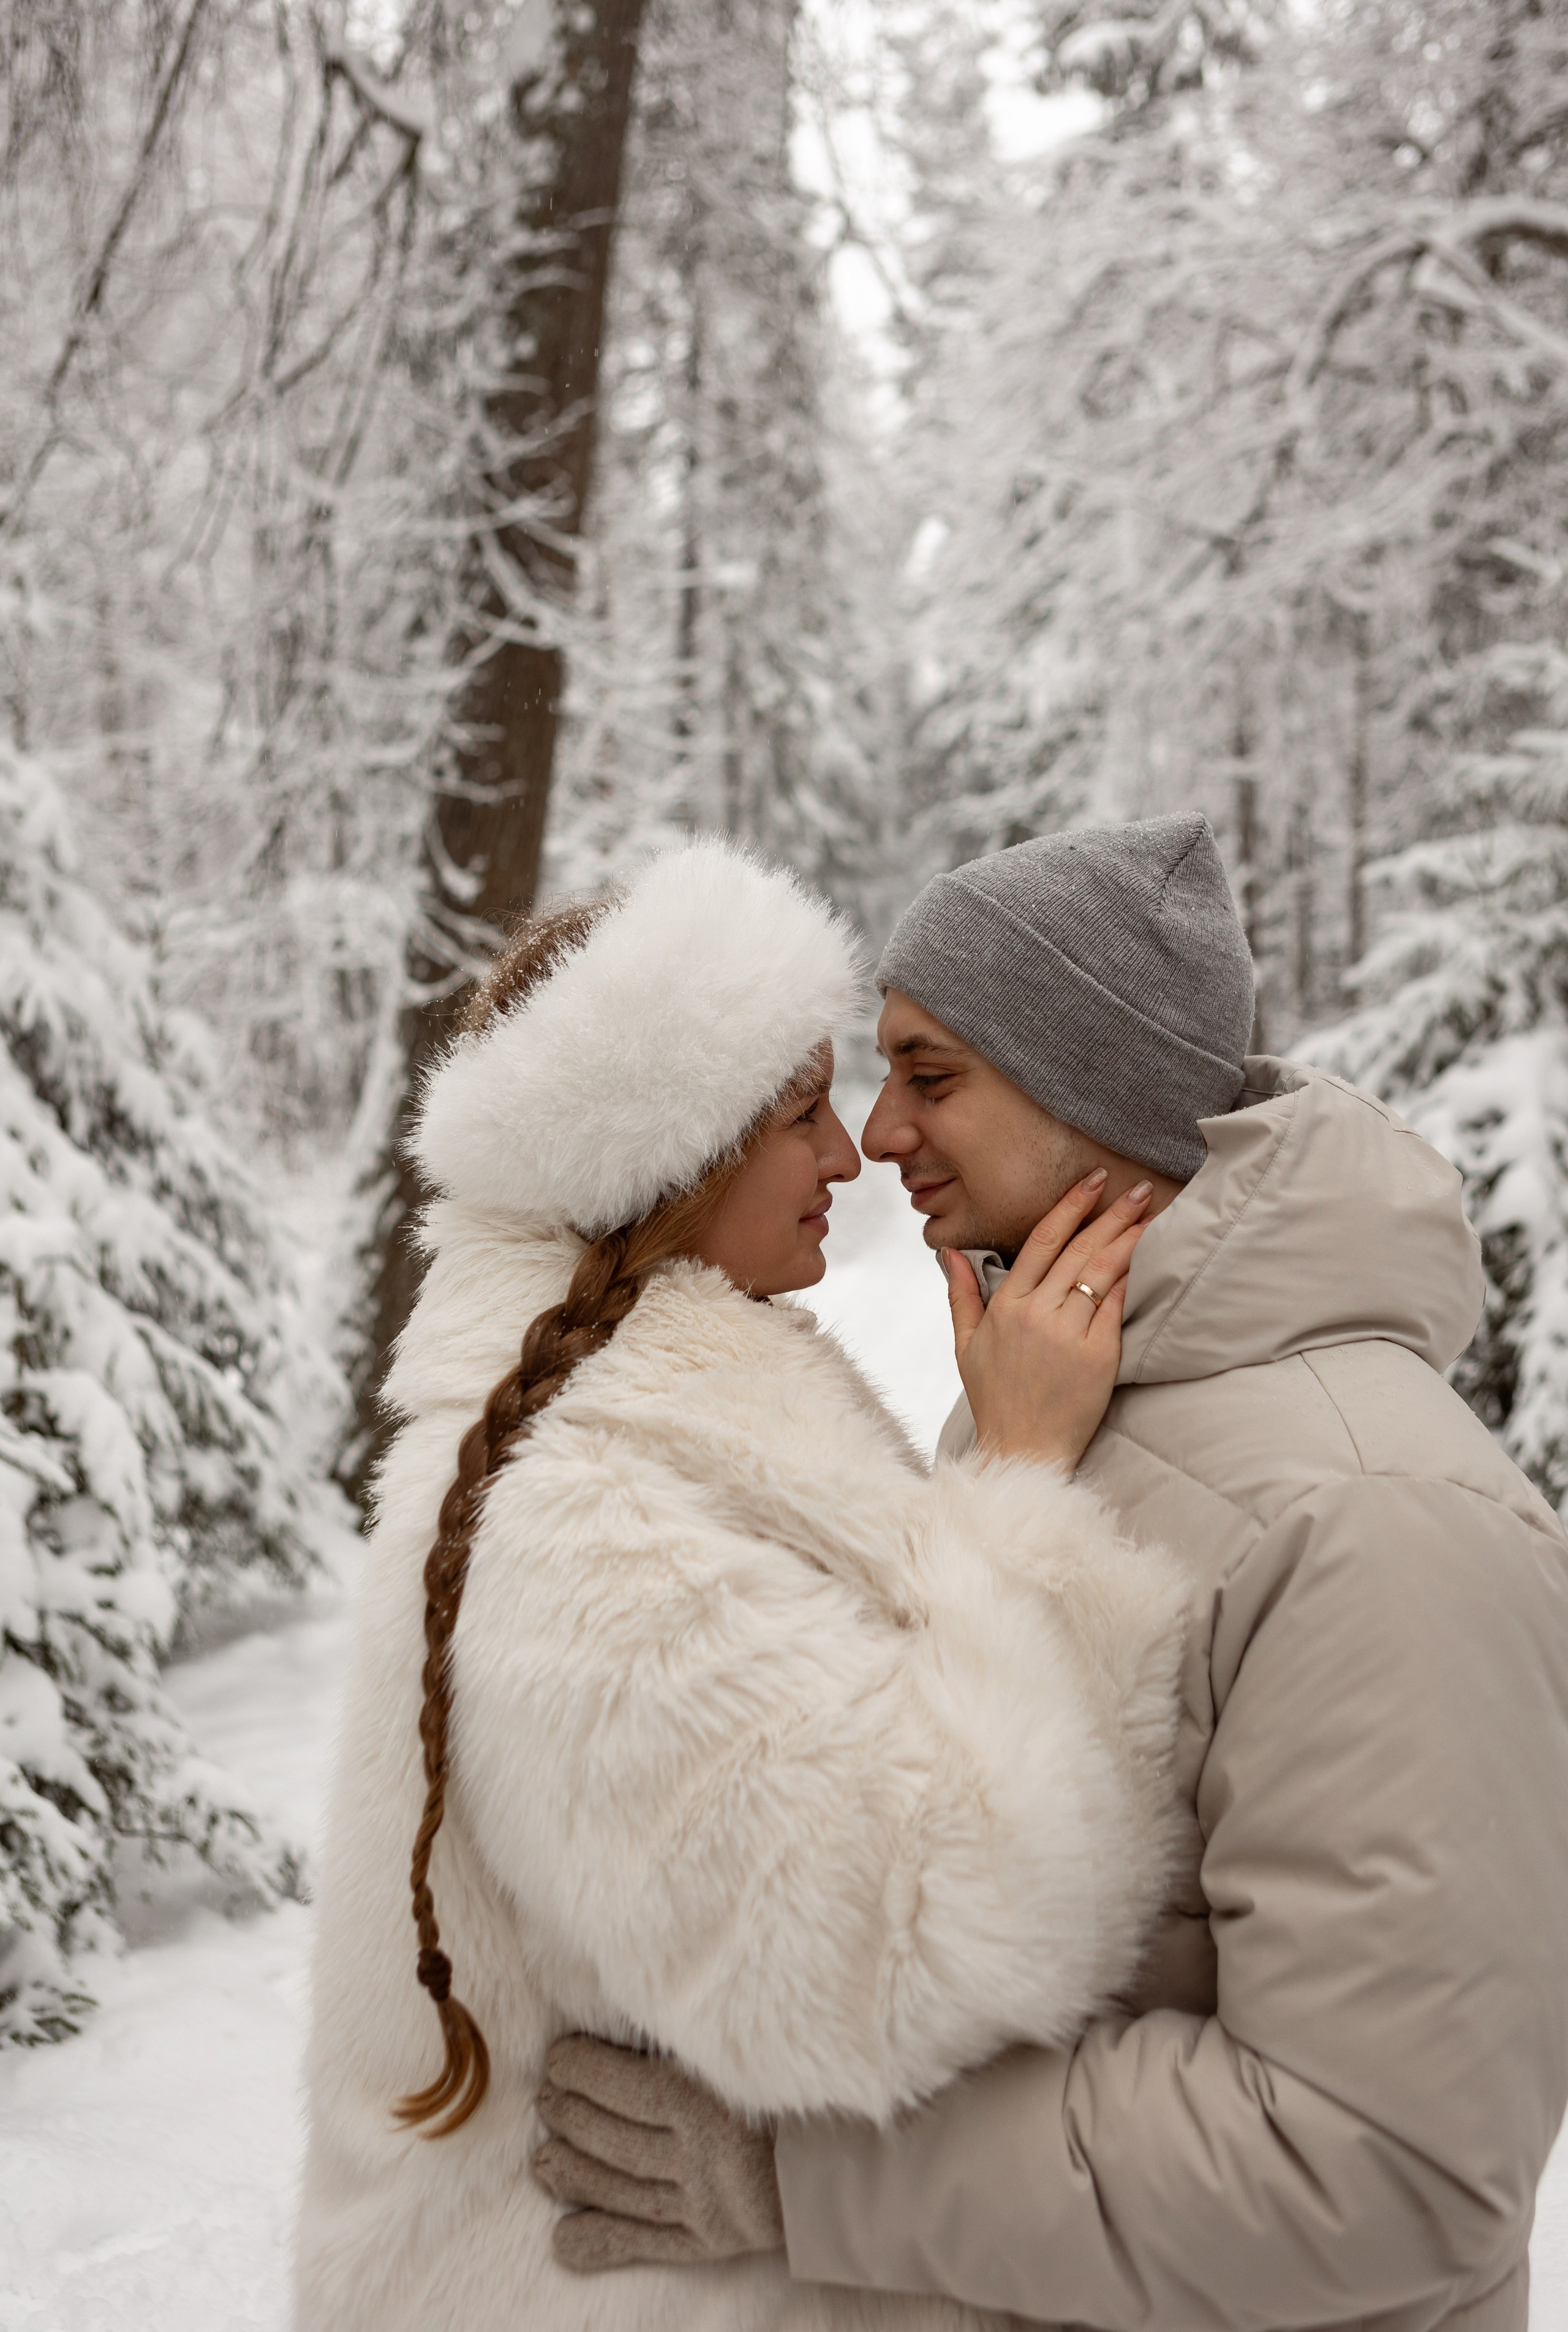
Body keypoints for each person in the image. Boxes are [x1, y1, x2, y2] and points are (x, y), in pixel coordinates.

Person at [535, 814, 1568, 2332]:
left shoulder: (1376, 1518)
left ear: (1103, 1094)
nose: (878, 1136)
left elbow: (1386, 2166)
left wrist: (815, 2176)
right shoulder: (1053, 1405)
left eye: (930, 1076)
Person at [293, 839, 1187, 2332]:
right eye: (795, 1117)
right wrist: (1021, 1483)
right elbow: (928, 1941)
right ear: (663, 1164)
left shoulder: (646, 1423)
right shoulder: (585, 1529)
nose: (848, 1157)